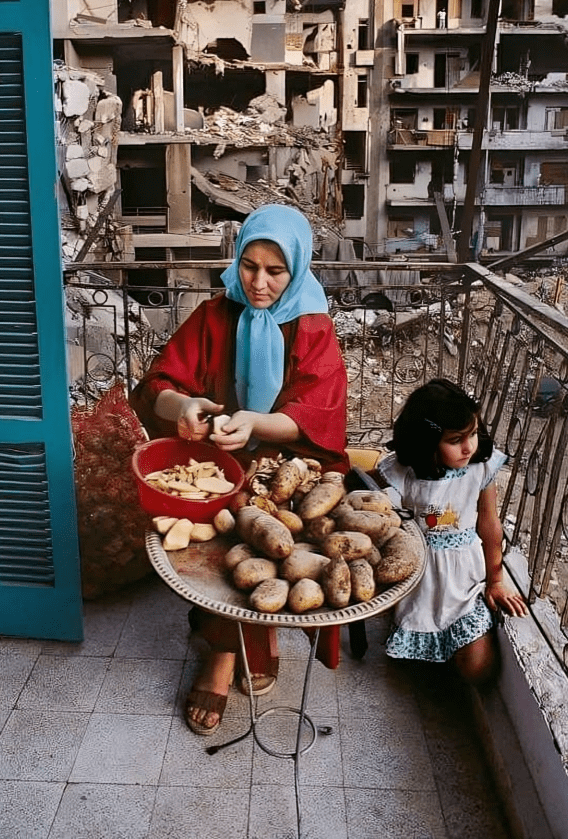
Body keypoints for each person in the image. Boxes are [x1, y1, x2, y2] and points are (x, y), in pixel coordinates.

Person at [129, 203, 349, 734]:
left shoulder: (313, 327)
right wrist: (182, 408)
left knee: (271, 540)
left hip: (289, 467)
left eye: (276, 271)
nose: (259, 283)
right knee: (227, 535)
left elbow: (315, 416)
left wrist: (255, 424)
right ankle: (227, 653)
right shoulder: (214, 315)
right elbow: (157, 386)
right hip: (218, 463)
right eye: (249, 265)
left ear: (297, 270)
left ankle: (243, 640)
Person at [375, 378, 527, 684]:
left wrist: (496, 580)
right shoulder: (406, 473)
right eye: (456, 439)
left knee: (478, 670)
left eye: (472, 434)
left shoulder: (480, 469)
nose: (469, 446)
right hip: (422, 574)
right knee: (412, 670)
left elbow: (489, 523)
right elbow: (383, 508)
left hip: (466, 576)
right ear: (427, 441)